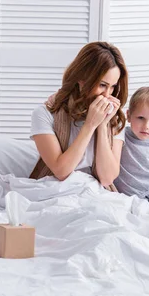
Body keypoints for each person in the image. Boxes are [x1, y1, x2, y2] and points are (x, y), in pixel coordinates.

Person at [29, 41, 128, 189]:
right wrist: (90, 125)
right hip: (53, 190)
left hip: (96, 193)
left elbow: (107, 178)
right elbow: (61, 171)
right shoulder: (44, 114)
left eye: (112, 87)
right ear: (81, 80)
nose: (107, 95)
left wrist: (102, 124)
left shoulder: (114, 119)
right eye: (102, 85)